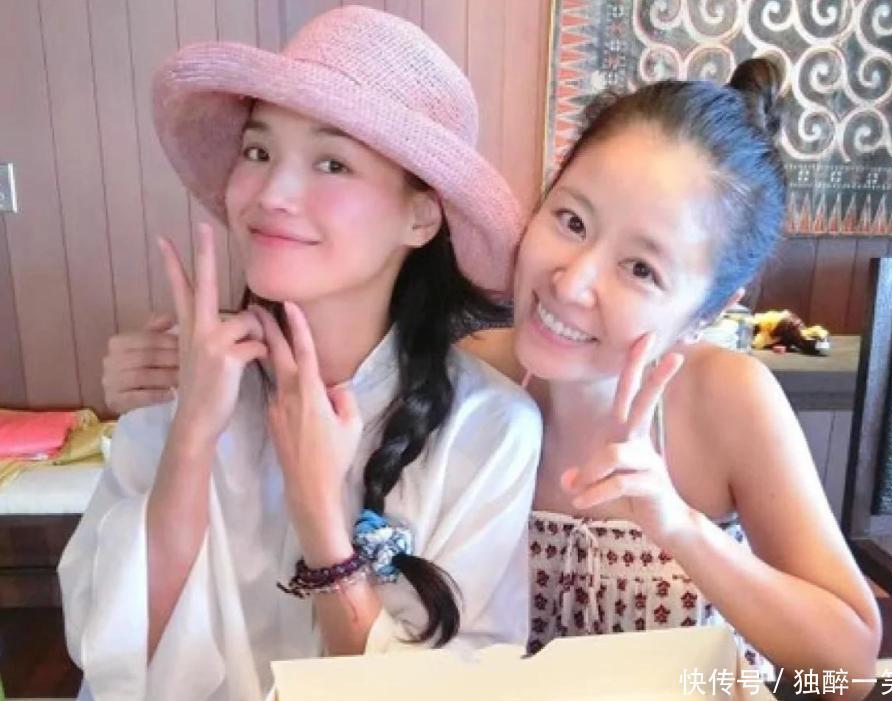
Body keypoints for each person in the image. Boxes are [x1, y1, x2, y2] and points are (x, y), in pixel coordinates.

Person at [101, 56, 882, 696]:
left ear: (708, 310)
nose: (572, 281)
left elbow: (849, 665)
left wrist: (677, 524)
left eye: (641, 268)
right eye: (571, 220)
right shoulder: (469, 381)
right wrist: (161, 373)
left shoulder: (726, 398)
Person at [60, 7, 541, 700]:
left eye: (332, 163)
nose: (273, 194)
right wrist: (191, 434)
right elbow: (109, 648)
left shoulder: (488, 429)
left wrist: (320, 516)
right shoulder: (186, 377)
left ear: (420, 215)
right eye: (258, 152)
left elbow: (456, 686)